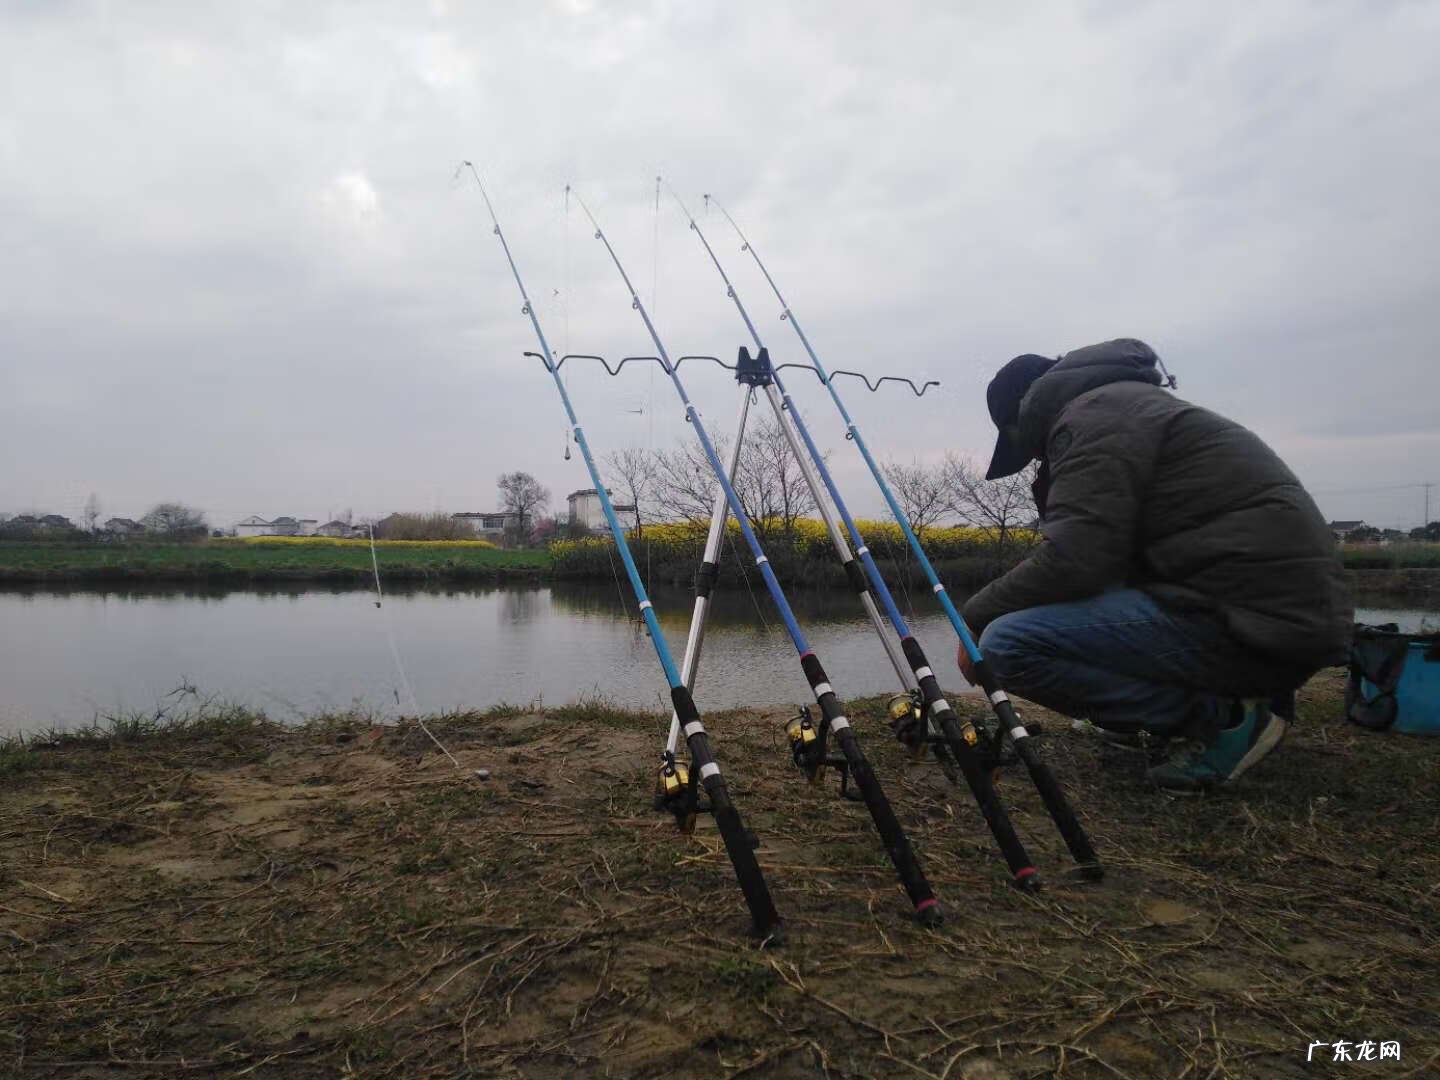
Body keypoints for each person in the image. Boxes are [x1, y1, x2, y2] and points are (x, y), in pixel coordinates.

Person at [959, 338, 1351, 792]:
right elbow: (1103, 561)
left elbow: (1076, 560)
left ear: (1022, 415)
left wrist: (973, 617)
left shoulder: (1091, 420)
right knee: (1050, 615)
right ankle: (1219, 704)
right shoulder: (1126, 406)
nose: (1032, 457)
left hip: (1257, 622)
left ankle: (1223, 719)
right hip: (1272, 615)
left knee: (1007, 645)